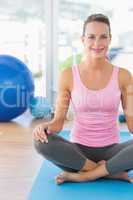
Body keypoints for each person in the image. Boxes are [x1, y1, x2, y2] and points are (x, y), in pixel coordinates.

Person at [33, 13, 133, 185]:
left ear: (110, 39)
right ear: (83, 39)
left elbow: (132, 125)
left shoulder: (124, 76)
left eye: (103, 37)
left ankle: (87, 175)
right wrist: (44, 127)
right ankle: (107, 172)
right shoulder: (68, 75)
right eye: (91, 37)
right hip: (77, 153)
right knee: (40, 142)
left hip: (113, 152)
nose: (97, 43)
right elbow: (57, 124)